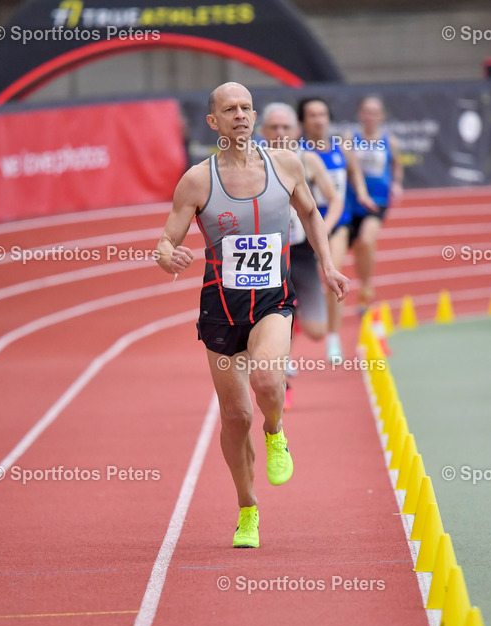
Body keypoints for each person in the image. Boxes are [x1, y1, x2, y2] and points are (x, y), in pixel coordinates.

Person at [156, 82, 349, 548]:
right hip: (221, 307)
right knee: (236, 416)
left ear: (255, 116)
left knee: (266, 377)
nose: (240, 115)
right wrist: (167, 256)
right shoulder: (197, 180)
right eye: (230, 109)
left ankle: (276, 431)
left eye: (246, 108)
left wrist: (326, 264)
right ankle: (247, 509)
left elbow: (311, 214)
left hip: (272, 299)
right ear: (213, 121)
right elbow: (166, 241)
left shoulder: (286, 164)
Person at [258, 102, 344, 409]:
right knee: (270, 318)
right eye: (274, 127)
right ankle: (282, 378)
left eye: (286, 127)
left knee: (316, 330)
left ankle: (289, 323)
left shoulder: (308, 160)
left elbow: (334, 199)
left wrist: (323, 229)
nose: (280, 133)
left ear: (296, 130)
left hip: (302, 251)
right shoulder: (253, 160)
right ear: (263, 131)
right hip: (267, 253)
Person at [297, 96, 376, 363]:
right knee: (292, 283)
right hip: (304, 227)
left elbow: (354, 173)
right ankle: (288, 348)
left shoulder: (341, 149)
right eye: (312, 115)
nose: (318, 120)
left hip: (337, 224)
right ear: (303, 121)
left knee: (332, 273)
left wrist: (362, 193)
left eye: (322, 114)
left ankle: (333, 337)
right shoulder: (298, 154)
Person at [345, 95, 403, 314]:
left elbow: (397, 164)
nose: (370, 116)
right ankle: (363, 283)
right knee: (357, 246)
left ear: (382, 116)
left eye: (374, 112)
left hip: (378, 201)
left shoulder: (390, 141)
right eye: (367, 112)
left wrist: (396, 183)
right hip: (352, 202)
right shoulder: (350, 138)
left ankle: (365, 287)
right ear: (361, 114)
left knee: (366, 240)